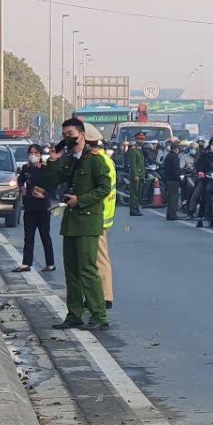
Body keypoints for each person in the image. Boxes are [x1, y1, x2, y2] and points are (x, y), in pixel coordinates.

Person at [42, 118, 113, 329]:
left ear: (82, 134)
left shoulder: (95, 159)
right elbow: (50, 181)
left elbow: (104, 188)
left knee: (87, 269)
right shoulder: (70, 160)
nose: (67, 138)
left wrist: (80, 200)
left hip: (88, 221)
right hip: (71, 222)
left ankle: (99, 316)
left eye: (70, 134)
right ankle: (74, 315)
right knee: (71, 270)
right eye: (64, 134)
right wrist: (53, 160)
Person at [87, 125, 117, 308]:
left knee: (98, 259)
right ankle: (102, 295)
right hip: (103, 214)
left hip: (97, 214)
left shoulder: (99, 162)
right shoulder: (106, 159)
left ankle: (105, 296)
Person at [15, 144, 55, 273]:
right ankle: (26, 263)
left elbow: (53, 186)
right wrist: (22, 188)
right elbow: (20, 180)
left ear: (40, 155)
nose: (33, 155)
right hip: (29, 207)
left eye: (36, 153)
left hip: (43, 208)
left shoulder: (46, 169)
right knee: (28, 236)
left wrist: (44, 195)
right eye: (31, 153)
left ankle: (50, 264)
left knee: (45, 236)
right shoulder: (25, 169)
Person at [163, 141, 184, 220]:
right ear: (176, 149)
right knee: (174, 198)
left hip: (168, 179)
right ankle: (173, 215)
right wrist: (180, 180)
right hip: (174, 180)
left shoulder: (168, 156)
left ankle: (169, 214)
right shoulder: (175, 157)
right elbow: (176, 171)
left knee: (170, 198)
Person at [127, 132, 146, 215]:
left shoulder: (140, 150)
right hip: (136, 175)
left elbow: (142, 164)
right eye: (140, 139)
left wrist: (143, 176)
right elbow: (133, 164)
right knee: (134, 193)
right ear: (136, 139)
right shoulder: (133, 150)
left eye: (143, 139)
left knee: (138, 193)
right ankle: (133, 209)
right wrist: (135, 175)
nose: (142, 141)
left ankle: (137, 208)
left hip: (141, 175)